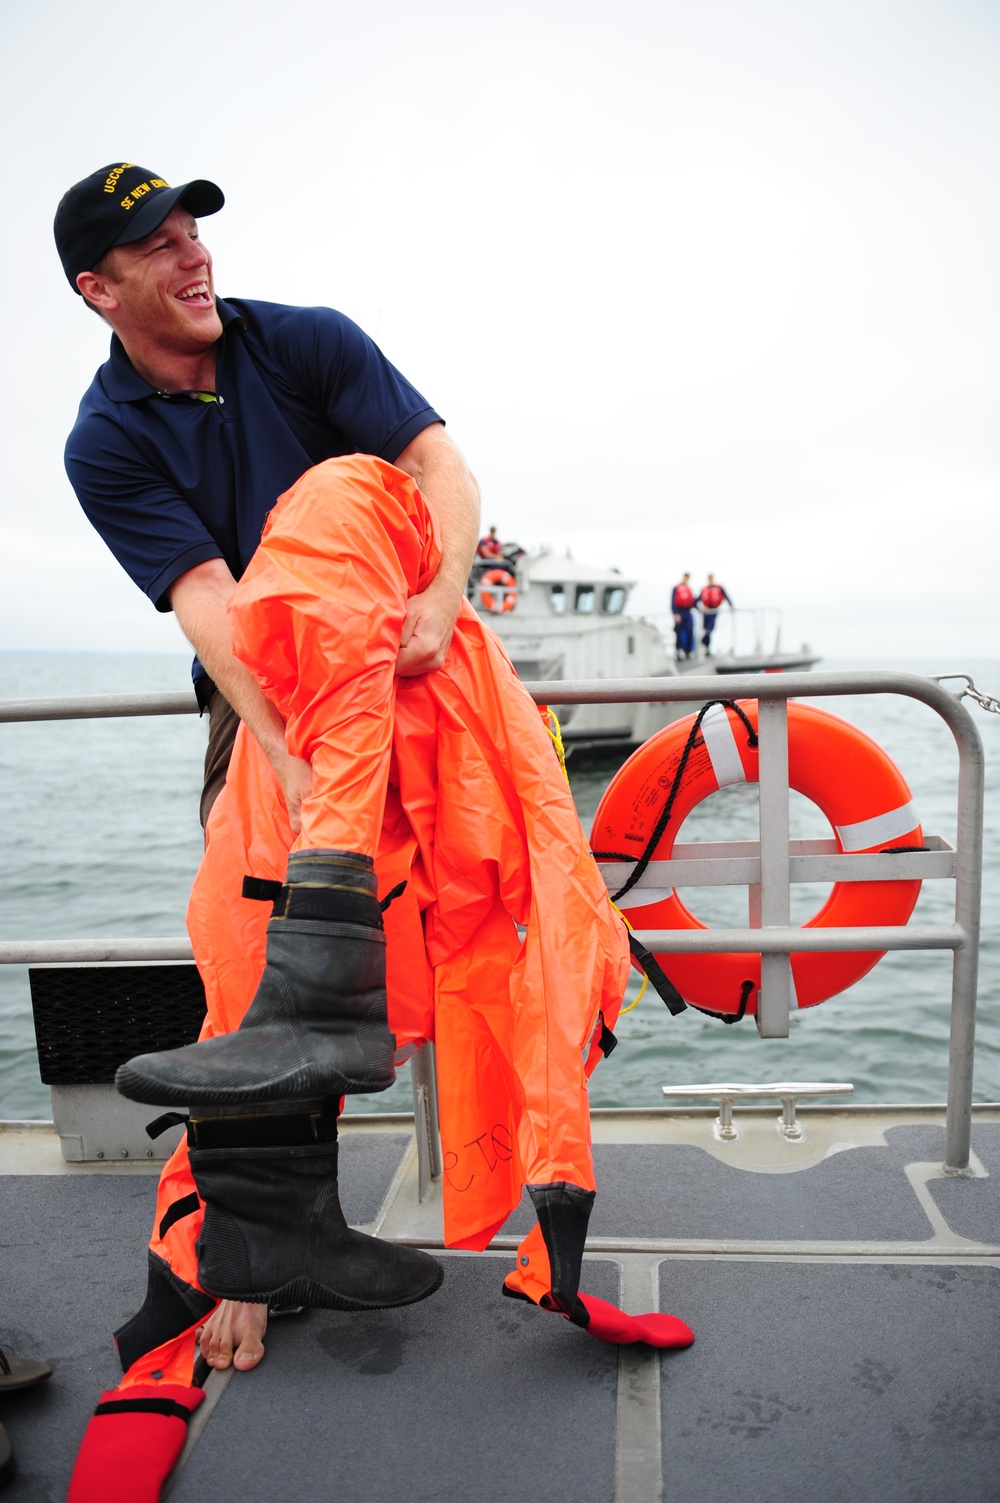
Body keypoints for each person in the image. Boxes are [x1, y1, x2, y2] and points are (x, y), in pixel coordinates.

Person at [56, 162, 692, 1499]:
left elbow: (436, 463)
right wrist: (293, 741)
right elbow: (211, 599)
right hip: (267, 707)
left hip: (425, 672)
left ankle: (525, 1196)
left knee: (496, 940)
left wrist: (449, 580)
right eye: (153, 249)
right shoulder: (105, 437)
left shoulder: (309, 340)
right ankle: (251, 1248)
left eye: (192, 233)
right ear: (96, 290)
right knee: (258, 982)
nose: (191, 258)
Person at [696, 573, 733, 655]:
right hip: (706, 612)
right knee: (706, 629)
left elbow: (726, 596)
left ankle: (704, 644)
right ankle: (706, 648)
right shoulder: (704, 589)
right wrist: (700, 608)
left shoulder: (719, 587)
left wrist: (731, 606)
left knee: (710, 629)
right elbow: (696, 601)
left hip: (714, 611)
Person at [671, 572, 696, 658]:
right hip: (680, 612)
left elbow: (693, 602)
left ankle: (688, 651)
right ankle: (678, 650)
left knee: (690, 631)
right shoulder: (676, 588)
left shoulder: (689, 589)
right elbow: (673, 602)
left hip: (688, 612)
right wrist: (675, 614)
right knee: (679, 632)